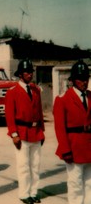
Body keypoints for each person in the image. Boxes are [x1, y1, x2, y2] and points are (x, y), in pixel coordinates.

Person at [5, 59, 45, 204]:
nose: (30, 74)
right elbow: (9, 116)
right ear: (20, 74)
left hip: (36, 132)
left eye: (31, 72)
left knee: (35, 165)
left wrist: (42, 131)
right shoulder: (13, 92)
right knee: (23, 166)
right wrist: (14, 134)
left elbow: (39, 112)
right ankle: (24, 194)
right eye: (27, 72)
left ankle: (33, 192)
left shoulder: (35, 90)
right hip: (21, 133)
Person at [53, 60, 91, 204]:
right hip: (73, 147)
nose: (84, 82)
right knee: (75, 183)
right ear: (74, 80)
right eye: (81, 79)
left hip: (89, 145)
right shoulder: (63, 99)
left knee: (89, 183)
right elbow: (59, 128)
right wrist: (65, 150)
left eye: (86, 78)